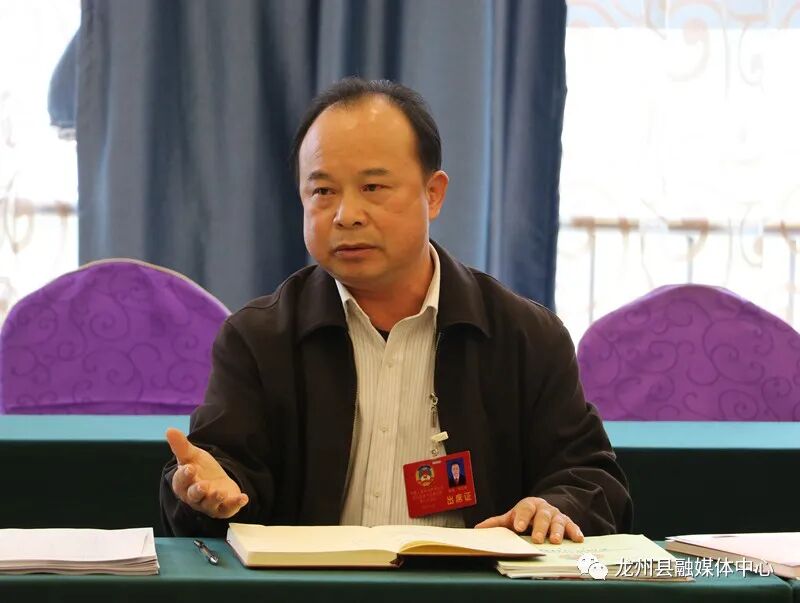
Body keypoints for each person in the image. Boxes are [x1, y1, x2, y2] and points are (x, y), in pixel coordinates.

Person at [160, 77, 632, 544]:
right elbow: (222, 476)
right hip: (312, 583)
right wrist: (208, 492)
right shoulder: (259, 338)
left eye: (372, 187)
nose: (346, 215)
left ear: (433, 193)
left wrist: (554, 507)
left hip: (473, 582)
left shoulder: (525, 336)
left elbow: (591, 479)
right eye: (322, 192)